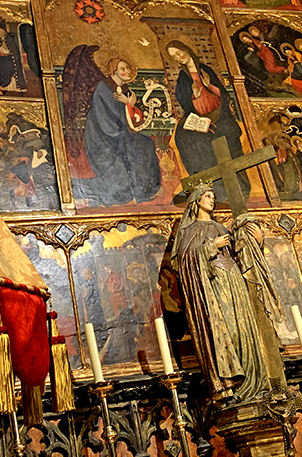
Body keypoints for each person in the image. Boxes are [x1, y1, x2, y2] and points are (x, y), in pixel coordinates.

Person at [171, 185, 268, 402]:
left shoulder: (221, 228)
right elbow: (186, 264)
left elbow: (242, 255)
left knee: (244, 330)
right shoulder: (188, 231)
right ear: (196, 200)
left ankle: (254, 382)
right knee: (229, 330)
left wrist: (257, 241)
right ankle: (232, 382)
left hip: (234, 280)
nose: (212, 200)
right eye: (207, 196)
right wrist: (210, 247)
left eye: (214, 197)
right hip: (214, 286)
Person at [166, 40, 246, 200]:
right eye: (174, 57)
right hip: (199, 116)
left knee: (219, 136)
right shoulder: (183, 78)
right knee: (183, 137)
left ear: (186, 48)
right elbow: (183, 102)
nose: (178, 58)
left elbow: (224, 96)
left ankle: (226, 188)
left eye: (178, 52)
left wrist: (209, 86)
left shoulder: (206, 70)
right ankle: (202, 184)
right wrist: (195, 96)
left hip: (220, 115)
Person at [82, 58, 162, 206]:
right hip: (103, 134)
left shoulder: (126, 91)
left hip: (121, 132)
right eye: (122, 69)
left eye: (128, 68)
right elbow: (105, 115)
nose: (127, 72)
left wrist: (129, 104)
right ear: (114, 70)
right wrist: (126, 106)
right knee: (129, 149)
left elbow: (134, 119)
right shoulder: (103, 87)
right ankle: (129, 192)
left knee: (147, 143)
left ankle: (145, 190)